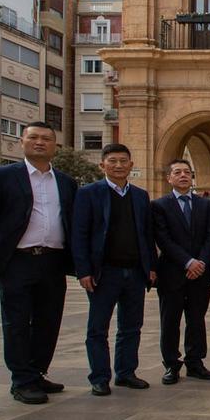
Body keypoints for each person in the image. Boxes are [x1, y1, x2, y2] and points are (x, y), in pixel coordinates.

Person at [0, 121, 77, 404]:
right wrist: (6, 244)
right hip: (18, 260)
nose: (39, 142)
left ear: (55, 146)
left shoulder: (66, 182)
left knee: (48, 321)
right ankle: (21, 380)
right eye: (33, 137)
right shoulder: (2, 176)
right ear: (21, 142)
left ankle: (37, 372)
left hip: (53, 260)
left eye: (46, 138)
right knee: (17, 322)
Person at [71, 143, 157, 396]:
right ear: (102, 165)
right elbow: (79, 234)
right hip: (104, 273)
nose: (118, 165)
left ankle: (126, 372)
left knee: (131, 326)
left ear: (131, 165)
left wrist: (151, 267)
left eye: (123, 161)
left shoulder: (140, 196)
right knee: (98, 328)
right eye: (113, 161)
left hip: (135, 272)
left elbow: (147, 234)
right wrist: (83, 270)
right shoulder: (88, 193)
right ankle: (99, 377)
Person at [152, 159, 210, 384]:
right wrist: (188, 262)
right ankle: (171, 364)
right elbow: (163, 239)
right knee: (170, 321)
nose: (183, 176)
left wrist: (201, 262)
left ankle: (195, 362)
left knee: (197, 320)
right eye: (177, 172)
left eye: (187, 172)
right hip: (172, 273)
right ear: (169, 178)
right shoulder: (159, 205)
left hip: (200, 274)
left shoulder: (206, 205)